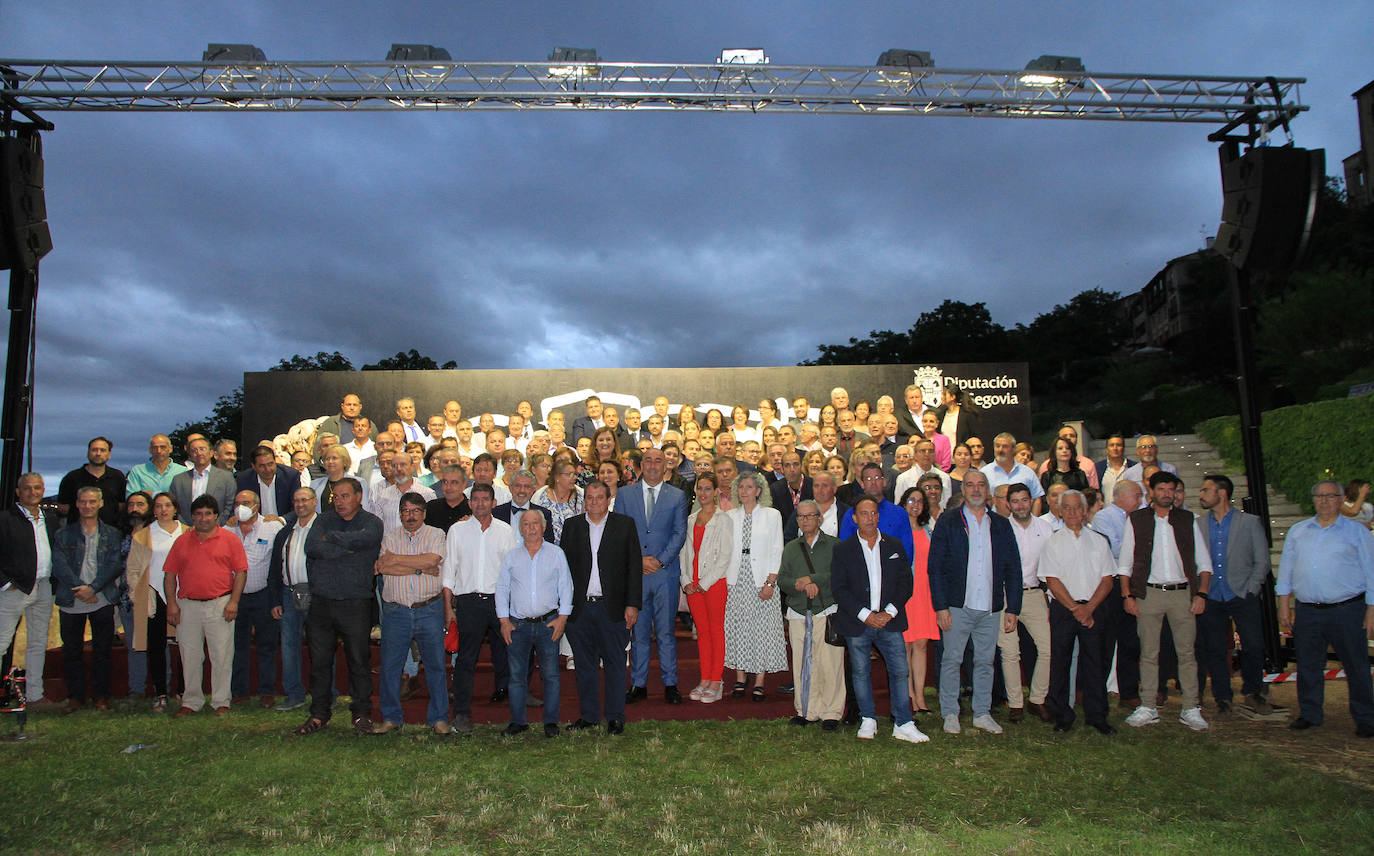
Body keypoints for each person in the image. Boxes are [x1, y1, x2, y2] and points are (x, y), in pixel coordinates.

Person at [927, 470, 1022, 735]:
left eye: (981, 485)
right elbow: (935, 567)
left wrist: (1012, 607)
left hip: (990, 607)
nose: (976, 489)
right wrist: (941, 606)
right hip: (958, 606)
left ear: (987, 490)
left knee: (985, 661)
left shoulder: (1001, 525)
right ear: (964, 489)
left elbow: (1014, 568)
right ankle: (950, 713)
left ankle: (982, 712)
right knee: (952, 660)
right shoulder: (948, 522)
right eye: (970, 485)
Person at [1277, 480, 1374, 737]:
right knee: (1308, 665)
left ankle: (1365, 718)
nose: (1324, 500)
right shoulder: (1298, 531)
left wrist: (1371, 610)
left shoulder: (1357, 532)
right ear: (1314, 499)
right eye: (1319, 496)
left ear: (1342, 500)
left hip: (1348, 610)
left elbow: (1371, 573)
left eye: (1331, 496)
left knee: (1356, 665)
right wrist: (1284, 605)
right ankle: (1310, 714)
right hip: (1308, 610)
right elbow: (1286, 570)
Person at [1117, 471, 1212, 731]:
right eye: (1162, 489)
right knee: (1148, 652)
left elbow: (1204, 563)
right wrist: (1127, 595)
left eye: (1172, 489)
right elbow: (1124, 564)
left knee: (1187, 653)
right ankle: (1148, 706)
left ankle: (1191, 708)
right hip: (1149, 594)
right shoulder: (1136, 520)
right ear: (1152, 491)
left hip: (1183, 594)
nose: (1167, 494)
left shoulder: (1187, 519)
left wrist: (1201, 594)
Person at [830, 495, 927, 743]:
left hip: (890, 621)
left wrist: (889, 612)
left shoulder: (894, 545)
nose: (870, 518)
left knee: (899, 670)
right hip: (858, 622)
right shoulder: (843, 550)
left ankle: (903, 722)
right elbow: (839, 589)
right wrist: (866, 616)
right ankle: (868, 720)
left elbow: (906, 583)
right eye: (864, 513)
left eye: (874, 513)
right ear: (854, 518)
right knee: (861, 673)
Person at [295, 478, 384, 736]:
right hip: (321, 603)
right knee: (320, 661)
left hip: (355, 604)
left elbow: (365, 541)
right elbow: (312, 547)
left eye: (345, 496)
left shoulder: (371, 523)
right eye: (336, 497)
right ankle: (319, 714)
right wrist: (347, 547)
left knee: (358, 660)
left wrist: (332, 540)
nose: (340, 501)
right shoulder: (322, 520)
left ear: (358, 497)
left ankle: (361, 714)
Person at [561, 480, 642, 733]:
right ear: (584, 501)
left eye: (599, 497)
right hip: (581, 609)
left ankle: (615, 716)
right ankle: (589, 716)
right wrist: (564, 608)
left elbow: (634, 568)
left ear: (609, 500)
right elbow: (563, 571)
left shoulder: (624, 525)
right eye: (590, 498)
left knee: (616, 663)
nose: (594, 502)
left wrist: (632, 605)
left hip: (614, 607)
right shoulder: (572, 527)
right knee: (584, 665)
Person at [1195, 474, 1275, 716]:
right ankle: (1222, 697)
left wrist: (1251, 588)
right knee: (1216, 649)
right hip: (1212, 596)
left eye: (1205, 490)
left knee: (1253, 645)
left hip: (1241, 594)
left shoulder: (1249, 522)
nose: (1201, 495)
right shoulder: (1198, 525)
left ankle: (1253, 691)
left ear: (1221, 493)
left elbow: (1262, 560)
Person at [1039, 490, 1118, 735]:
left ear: (1085, 511)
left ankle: (1097, 716)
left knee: (1095, 663)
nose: (1073, 512)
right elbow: (1051, 580)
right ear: (1060, 512)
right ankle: (1062, 715)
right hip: (1065, 610)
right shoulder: (1052, 541)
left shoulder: (1098, 540)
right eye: (1067, 508)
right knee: (1060, 663)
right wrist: (1075, 608)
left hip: (1094, 608)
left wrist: (1089, 608)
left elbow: (1107, 579)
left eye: (1077, 507)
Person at [162, 494, 248, 717]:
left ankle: (221, 701)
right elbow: (170, 575)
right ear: (192, 517)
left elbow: (240, 573)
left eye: (208, 513)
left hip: (220, 604)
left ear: (216, 516)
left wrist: (234, 602)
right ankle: (191, 701)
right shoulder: (182, 541)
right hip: (188, 606)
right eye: (198, 514)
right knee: (190, 655)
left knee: (221, 655)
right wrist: (171, 603)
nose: (203, 518)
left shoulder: (230, 540)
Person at [372, 493, 450, 735]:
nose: (411, 515)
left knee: (436, 666)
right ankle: (391, 717)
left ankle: (439, 718)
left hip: (429, 609)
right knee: (391, 667)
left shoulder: (436, 534)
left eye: (416, 510)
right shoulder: (390, 536)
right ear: (400, 514)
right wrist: (420, 567)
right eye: (406, 511)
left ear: (424, 513)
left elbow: (433, 559)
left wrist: (398, 561)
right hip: (396, 611)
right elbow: (382, 567)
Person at [442, 483, 516, 733]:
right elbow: (448, 570)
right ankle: (461, 714)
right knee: (465, 659)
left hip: (499, 601)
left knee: (513, 655)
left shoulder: (505, 531)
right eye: (476, 499)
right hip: (469, 601)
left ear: (494, 503)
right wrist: (448, 607)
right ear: (469, 503)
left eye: (486, 499)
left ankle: (518, 713)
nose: (481, 504)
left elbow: (511, 570)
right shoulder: (457, 531)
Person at [620, 447, 688, 704]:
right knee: (638, 633)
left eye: (657, 461)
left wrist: (659, 561)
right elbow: (621, 531)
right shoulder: (626, 494)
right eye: (647, 460)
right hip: (636, 575)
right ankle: (638, 684)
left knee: (666, 632)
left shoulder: (677, 496)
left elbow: (679, 533)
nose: (651, 465)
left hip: (664, 574)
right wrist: (637, 560)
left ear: (665, 466)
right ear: (641, 465)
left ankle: (670, 683)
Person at [496, 510, 573, 737]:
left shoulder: (556, 553)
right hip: (517, 626)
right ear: (521, 529)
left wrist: (563, 618)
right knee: (517, 676)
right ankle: (518, 722)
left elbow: (566, 586)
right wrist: (503, 620)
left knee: (550, 676)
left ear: (543, 526)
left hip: (548, 623)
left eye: (535, 524)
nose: (530, 528)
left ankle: (550, 722)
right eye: (526, 524)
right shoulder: (512, 556)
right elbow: (502, 588)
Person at [50, 486, 124, 712]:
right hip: (72, 600)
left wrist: (93, 589)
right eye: (83, 501)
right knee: (72, 652)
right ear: (77, 504)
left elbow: (114, 565)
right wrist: (80, 589)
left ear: (100, 504)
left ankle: (101, 696)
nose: (88, 506)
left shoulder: (113, 533)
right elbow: (59, 565)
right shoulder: (63, 534)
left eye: (92, 501)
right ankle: (76, 697)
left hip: (101, 599)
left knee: (102, 652)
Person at [776, 499, 845, 728]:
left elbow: (841, 576)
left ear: (820, 518)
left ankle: (831, 712)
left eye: (810, 516)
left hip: (827, 611)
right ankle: (806, 710)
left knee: (830, 663)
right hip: (798, 611)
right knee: (803, 663)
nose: (805, 520)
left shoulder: (836, 546)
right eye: (801, 516)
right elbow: (782, 579)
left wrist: (813, 580)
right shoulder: (791, 548)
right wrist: (799, 584)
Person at [722, 471, 788, 700]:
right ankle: (740, 677)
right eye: (741, 487)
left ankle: (759, 679)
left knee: (761, 630)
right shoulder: (729, 516)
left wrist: (771, 581)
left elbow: (776, 550)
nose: (744, 491)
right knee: (738, 628)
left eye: (749, 487)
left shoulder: (772, 515)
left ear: (759, 491)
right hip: (735, 579)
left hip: (762, 579)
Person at [0, 474, 60, 707]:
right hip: (15, 589)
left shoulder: (51, 518)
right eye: (27, 488)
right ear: (18, 491)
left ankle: (35, 695)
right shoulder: (5, 519)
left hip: (44, 586)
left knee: (37, 643)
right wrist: (5, 582)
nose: (32, 492)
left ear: (43, 490)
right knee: (2, 642)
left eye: (37, 488)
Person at [999, 483, 1055, 723]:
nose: (1020, 505)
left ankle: (1037, 700)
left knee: (1047, 647)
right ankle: (1015, 704)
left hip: (1034, 593)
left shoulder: (1046, 527)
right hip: (1004, 596)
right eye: (1016, 501)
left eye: (1024, 500)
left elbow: (1053, 563)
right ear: (1008, 504)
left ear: (1031, 501)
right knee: (1010, 652)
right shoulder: (1001, 529)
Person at [1089, 478, 1145, 709]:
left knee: (1130, 641)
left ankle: (1129, 691)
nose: (1140, 501)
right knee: (1106, 641)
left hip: (1133, 584)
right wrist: (1138, 548)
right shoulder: (1105, 517)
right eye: (1136, 496)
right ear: (1120, 496)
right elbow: (1112, 548)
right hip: (1111, 586)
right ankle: (1098, 691)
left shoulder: (1141, 517)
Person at [225, 489, 284, 706]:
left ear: (256, 506)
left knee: (266, 645)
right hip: (235, 599)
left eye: (246, 502)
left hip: (263, 596)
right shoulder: (226, 531)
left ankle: (267, 691)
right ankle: (240, 691)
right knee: (237, 645)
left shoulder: (273, 527)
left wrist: (281, 517)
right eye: (238, 502)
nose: (241, 506)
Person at [679, 474, 733, 704]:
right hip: (693, 585)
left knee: (715, 630)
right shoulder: (691, 519)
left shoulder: (724, 519)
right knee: (702, 632)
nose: (703, 493)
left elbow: (725, 555)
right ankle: (704, 678)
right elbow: (684, 553)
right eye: (699, 489)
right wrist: (686, 580)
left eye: (708, 489)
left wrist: (704, 582)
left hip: (713, 584)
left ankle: (716, 680)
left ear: (715, 492)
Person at [268, 486, 318, 712]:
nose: (300, 505)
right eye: (296, 501)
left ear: (314, 502)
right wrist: (275, 600)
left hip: (317, 595)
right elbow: (274, 569)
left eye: (304, 500)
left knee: (321, 647)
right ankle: (294, 695)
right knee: (289, 648)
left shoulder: (324, 529)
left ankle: (325, 694)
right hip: (289, 595)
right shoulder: (285, 532)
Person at [898, 487, 939, 716]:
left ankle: (921, 696)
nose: (916, 504)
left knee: (921, 646)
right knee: (904, 646)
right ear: (903, 503)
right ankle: (909, 696)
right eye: (911, 500)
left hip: (925, 595)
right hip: (905, 596)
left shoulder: (929, 531)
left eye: (920, 501)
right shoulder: (898, 533)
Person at [837, 463, 915, 562]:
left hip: (893, 572)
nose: (873, 482)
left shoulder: (899, 513)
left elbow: (907, 550)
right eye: (868, 479)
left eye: (877, 478)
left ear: (884, 482)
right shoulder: (852, 514)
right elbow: (845, 551)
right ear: (862, 484)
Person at [56, 436, 126, 526]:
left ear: (109, 454)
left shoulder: (117, 477)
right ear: (88, 453)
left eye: (102, 450)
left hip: (112, 533)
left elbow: (122, 505)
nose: (98, 453)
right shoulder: (72, 478)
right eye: (94, 450)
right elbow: (62, 507)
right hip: (77, 534)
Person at [171, 437, 237, 525]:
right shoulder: (178, 480)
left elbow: (229, 506)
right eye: (194, 450)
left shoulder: (226, 477)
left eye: (202, 449)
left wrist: (214, 526)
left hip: (217, 530)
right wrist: (185, 527)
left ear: (211, 453)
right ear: (190, 455)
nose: (199, 453)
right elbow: (174, 507)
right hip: (187, 531)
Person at [980, 433, 1045, 515]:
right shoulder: (984, 473)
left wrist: (1034, 525)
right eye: (997, 446)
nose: (1000, 450)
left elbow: (1037, 499)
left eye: (1005, 446)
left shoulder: (1027, 472)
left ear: (1013, 449)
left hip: (1023, 523)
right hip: (994, 524)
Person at [238, 444, 299, 520]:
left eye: (270, 464)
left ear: (275, 461)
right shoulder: (244, 479)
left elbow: (298, 507)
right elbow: (239, 506)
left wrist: (281, 520)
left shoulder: (290, 476)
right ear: (253, 466)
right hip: (257, 526)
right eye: (262, 466)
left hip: (284, 524)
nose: (268, 469)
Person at [532, 460, 584, 543]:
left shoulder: (581, 495)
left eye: (574, 474)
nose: (574, 477)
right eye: (569, 474)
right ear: (557, 477)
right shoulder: (540, 496)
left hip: (575, 547)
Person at [126, 434, 189, 498]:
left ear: (170, 449)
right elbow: (132, 498)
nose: (159, 451)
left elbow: (186, 498)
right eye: (155, 447)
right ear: (150, 450)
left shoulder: (183, 471)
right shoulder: (138, 471)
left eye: (163, 447)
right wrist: (170, 495)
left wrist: (152, 495)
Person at [934, 382, 980, 448]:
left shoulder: (966, 415)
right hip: (945, 456)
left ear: (953, 397)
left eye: (944, 394)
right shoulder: (940, 415)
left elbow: (973, 437)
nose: (941, 397)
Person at [1094, 434, 1135, 503]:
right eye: (1111, 445)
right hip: (1105, 512)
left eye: (1118, 445)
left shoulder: (1133, 467)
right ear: (1107, 449)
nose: (1115, 448)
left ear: (1123, 448)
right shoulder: (1097, 468)